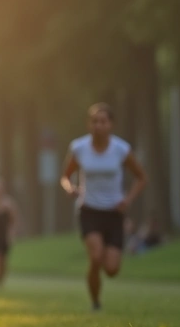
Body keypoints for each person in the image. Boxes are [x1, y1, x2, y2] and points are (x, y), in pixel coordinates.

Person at [60, 103, 148, 311]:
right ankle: (95, 302)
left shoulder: (121, 149)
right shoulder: (79, 148)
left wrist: (128, 200)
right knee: (96, 256)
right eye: (94, 121)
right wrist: (70, 188)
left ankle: (97, 290)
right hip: (89, 210)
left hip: (114, 212)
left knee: (111, 269)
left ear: (111, 125)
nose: (98, 125)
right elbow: (65, 176)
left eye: (103, 121)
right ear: (89, 124)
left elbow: (142, 178)